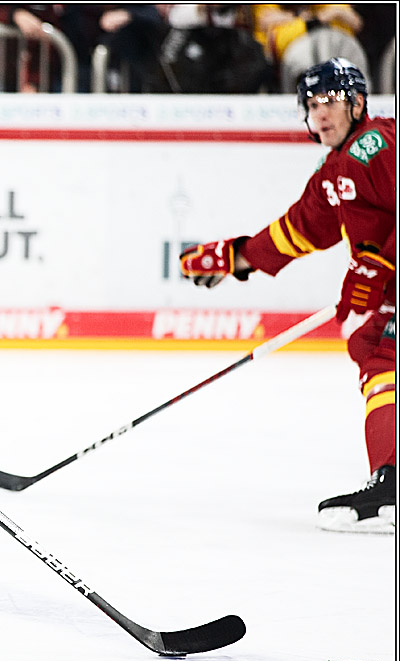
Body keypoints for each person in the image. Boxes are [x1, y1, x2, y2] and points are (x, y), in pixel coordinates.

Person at [180, 58, 394, 534]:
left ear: (358, 104)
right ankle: (391, 482)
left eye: (331, 102)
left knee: (380, 352)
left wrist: (380, 263)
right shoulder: (334, 170)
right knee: (378, 352)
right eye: (312, 105)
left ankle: (391, 486)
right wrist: (238, 258)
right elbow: (299, 231)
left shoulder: (376, 146)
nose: (321, 114)